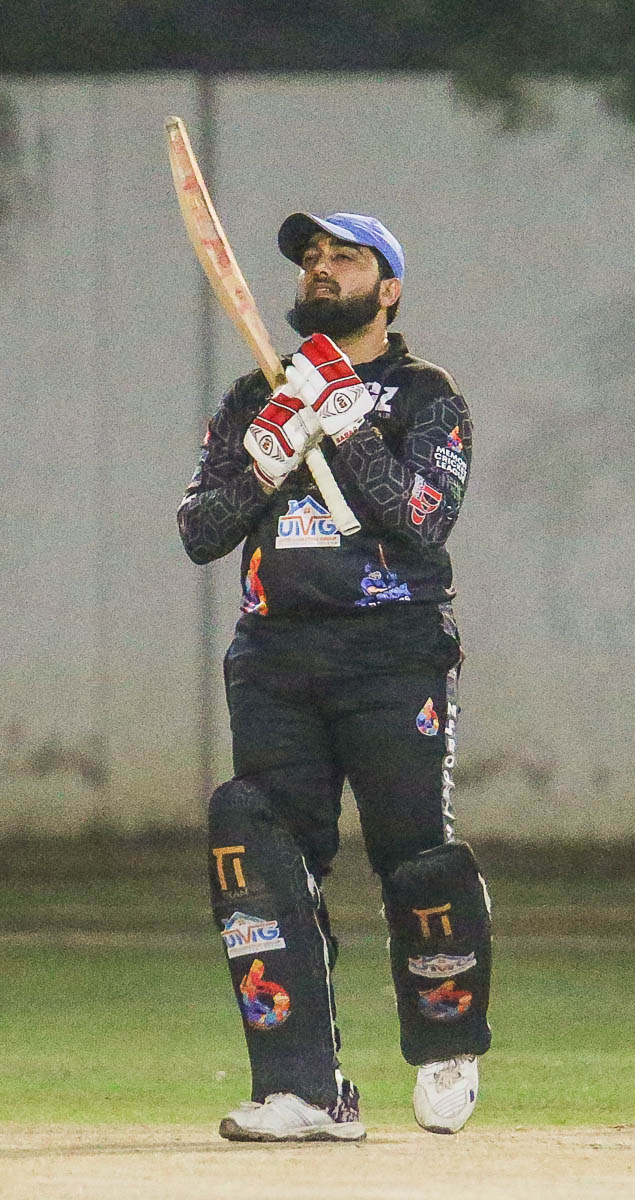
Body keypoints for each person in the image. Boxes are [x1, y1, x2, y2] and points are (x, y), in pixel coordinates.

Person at [177, 211, 492, 1143]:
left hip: (394, 650)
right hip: (274, 656)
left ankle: (446, 1042)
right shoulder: (255, 394)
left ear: (387, 289)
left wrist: (346, 422)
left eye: (343, 257)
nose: (320, 268)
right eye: (310, 257)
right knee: (259, 849)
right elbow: (199, 531)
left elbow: (422, 520)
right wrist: (267, 460)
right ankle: (306, 1090)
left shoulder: (428, 395)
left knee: (418, 857)